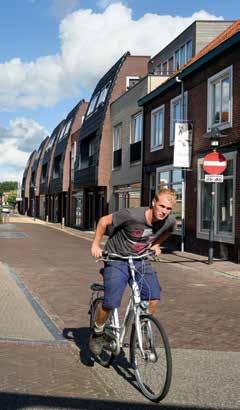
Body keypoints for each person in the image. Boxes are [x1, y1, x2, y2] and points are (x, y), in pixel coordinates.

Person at [89, 188, 177, 355]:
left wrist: (156, 244)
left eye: (168, 209)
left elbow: (170, 230)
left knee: (153, 296)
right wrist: (96, 244)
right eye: (162, 206)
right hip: (116, 258)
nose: (164, 211)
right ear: (153, 202)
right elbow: (103, 221)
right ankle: (98, 332)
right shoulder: (131, 215)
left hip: (140, 259)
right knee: (111, 302)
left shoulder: (169, 221)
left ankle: (142, 326)